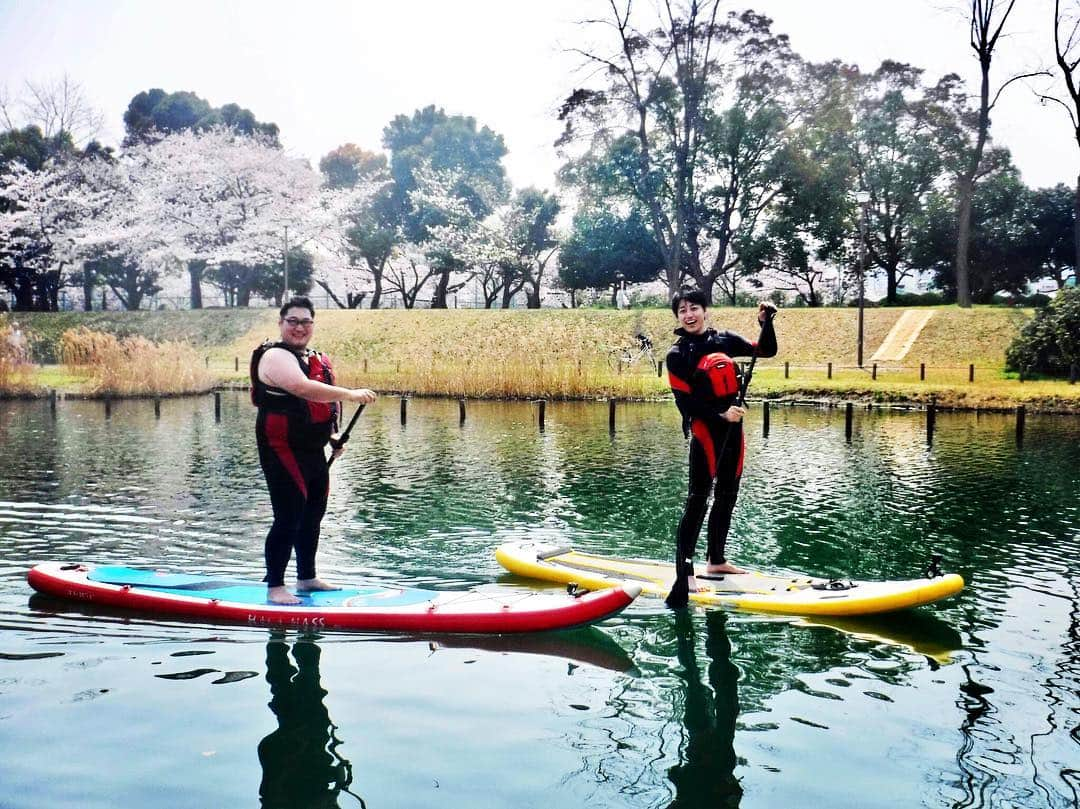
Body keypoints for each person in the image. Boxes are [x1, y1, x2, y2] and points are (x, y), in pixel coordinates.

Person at [250, 296, 377, 605]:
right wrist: (351, 393)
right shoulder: (275, 356)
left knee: (313, 513)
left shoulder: (315, 358)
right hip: (280, 446)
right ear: (281, 324)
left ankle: (307, 578)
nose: (299, 327)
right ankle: (276, 587)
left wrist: (333, 436)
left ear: (313, 325)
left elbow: (324, 405)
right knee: (289, 514)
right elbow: (303, 389)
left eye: (306, 321)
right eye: (292, 321)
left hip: (312, 448)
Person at [665, 288, 777, 603]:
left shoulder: (724, 340)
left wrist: (766, 323)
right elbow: (685, 404)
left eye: (694, 308)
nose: (689, 315)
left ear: (705, 310)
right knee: (698, 501)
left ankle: (716, 561)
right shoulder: (678, 355)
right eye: (682, 310)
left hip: (734, 431)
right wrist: (720, 413)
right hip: (705, 432)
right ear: (678, 316)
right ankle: (684, 573)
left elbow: (765, 350)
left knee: (727, 495)